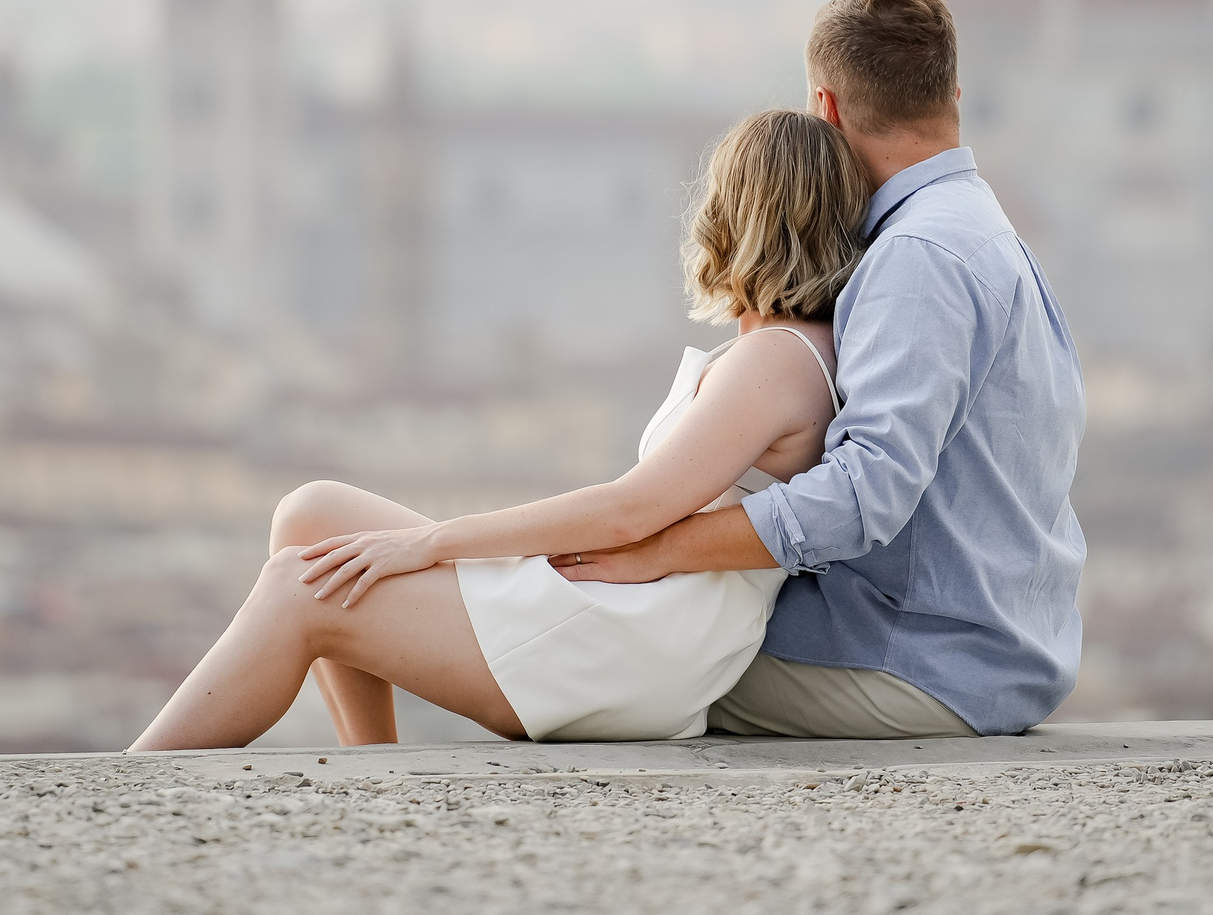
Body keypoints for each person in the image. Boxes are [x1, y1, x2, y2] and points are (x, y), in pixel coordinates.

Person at [128, 107, 867, 749]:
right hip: (631, 608)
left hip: (632, 641)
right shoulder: (775, 350)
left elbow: (628, 512)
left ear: (740, 216)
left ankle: (126, 788)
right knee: (311, 515)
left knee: (299, 587)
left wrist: (432, 542)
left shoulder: (774, 360)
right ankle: (375, 767)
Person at [554, 0, 1088, 738]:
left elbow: (865, 494)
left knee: (585, 649)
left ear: (825, 109)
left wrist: (663, 549)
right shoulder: (983, 230)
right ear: (953, 95)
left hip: (919, 663)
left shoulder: (918, 256)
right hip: (992, 649)